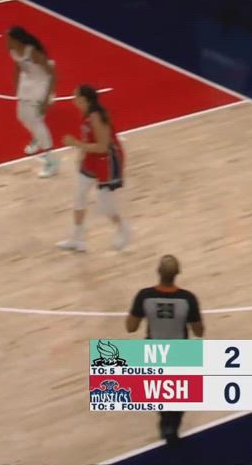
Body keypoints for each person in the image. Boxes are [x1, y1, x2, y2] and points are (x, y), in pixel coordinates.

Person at [126, 255, 203, 445]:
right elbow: (199, 331)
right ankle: (172, 426)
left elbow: (131, 327)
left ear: (158, 271)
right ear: (178, 274)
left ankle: (165, 422)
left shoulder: (144, 296)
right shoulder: (188, 298)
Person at [59, 85, 130, 252]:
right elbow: (89, 139)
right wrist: (82, 154)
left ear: (84, 100)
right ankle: (77, 239)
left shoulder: (96, 117)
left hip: (108, 160)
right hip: (92, 158)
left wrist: (76, 144)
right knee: (79, 195)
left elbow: (103, 146)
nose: (73, 100)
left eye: (75, 97)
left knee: (105, 204)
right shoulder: (86, 114)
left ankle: (123, 230)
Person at [7, 27, 57, 178]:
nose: (6, 42)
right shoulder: (14, 52)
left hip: (42, 83)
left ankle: (51, 160)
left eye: (9, 39)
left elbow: (52, 74)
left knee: (36, 121)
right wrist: (16, 87)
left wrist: (47, 98)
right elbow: (18, 67)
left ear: (17, 40)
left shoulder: (33, 53)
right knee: (21, 116)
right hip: (28, 82)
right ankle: (36, 138)